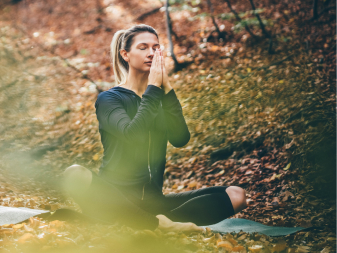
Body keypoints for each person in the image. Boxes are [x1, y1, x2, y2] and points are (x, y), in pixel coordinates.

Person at [61, 24, 247, 233]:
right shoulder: (109, 99)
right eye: (142, 47)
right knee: (74, 174)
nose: (151, 53)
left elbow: (180, 138)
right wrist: (153, 89)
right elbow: (134, 135)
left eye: (155, 48)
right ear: (125, 55)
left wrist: (166, 88)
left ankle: (152, 224)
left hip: (153, 202)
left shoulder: (158, 98)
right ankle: (155, 225)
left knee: (236, 195)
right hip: (115, 199)